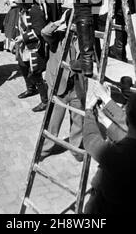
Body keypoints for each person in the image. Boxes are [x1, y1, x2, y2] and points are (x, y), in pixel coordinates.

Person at [83, 84, 136, 214]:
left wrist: (88, 110)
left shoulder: (113, 154)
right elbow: (134, 137)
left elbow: (90, 139)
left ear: (127, 121)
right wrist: (107, 111)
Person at [40, 10, 86, 161]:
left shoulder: (85, 40)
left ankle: (76, 149)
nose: (75, 27)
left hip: (76, 87)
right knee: (54, 121)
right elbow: (44, 32)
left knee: (78, 120)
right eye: (72, 23)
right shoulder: (57, 37)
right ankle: (45, 149)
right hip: (59, 87)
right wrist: (59, 22)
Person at [15, 0, 49, 112]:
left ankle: (45, 101)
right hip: (24, 46)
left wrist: (23, 38)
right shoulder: (22, 10)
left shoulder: (35, 10)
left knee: (36, 73)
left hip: (35, 47)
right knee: (23, 66)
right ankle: (30, 89)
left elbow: (39, 31)